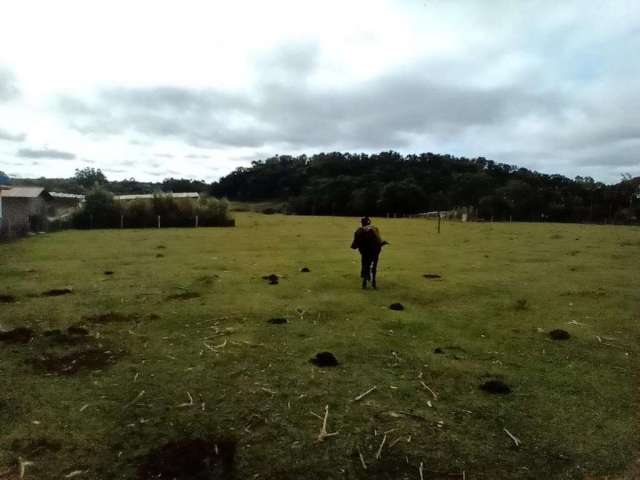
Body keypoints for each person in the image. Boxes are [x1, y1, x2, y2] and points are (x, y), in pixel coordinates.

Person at [350, 217, 387, 289]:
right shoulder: (374, 228)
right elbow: (377, 237)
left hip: (364, 250)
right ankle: (373, 282)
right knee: (374, 264)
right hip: (375, 250)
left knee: (365, 263)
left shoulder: (359, 230)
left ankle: (364, 282)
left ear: (362, 223)